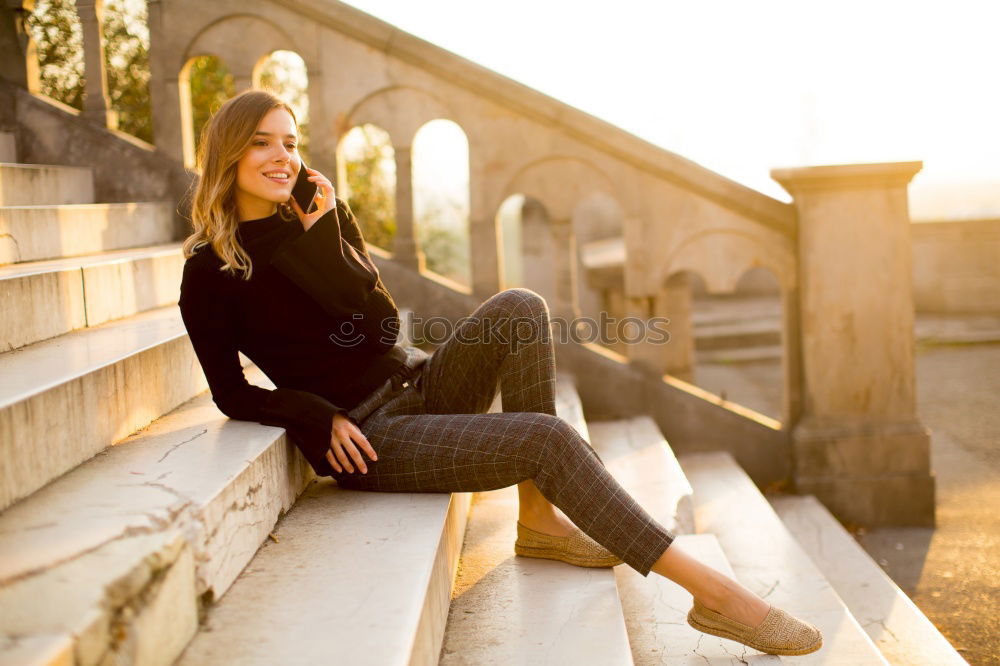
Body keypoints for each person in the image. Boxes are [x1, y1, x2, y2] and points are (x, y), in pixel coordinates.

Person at [178, 89, 823, 657]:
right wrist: (312, 412)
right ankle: (715, 594)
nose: (281, 157)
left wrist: (326, 237)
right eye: (262, 143)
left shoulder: (319, 220)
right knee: (544, 437)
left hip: (415, 384)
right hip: (374, 438)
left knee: (520, 308)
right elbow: (230, 392)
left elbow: (379, 330)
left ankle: (539, 519)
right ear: (229, 153)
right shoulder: (209, 271)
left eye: (290, 143)